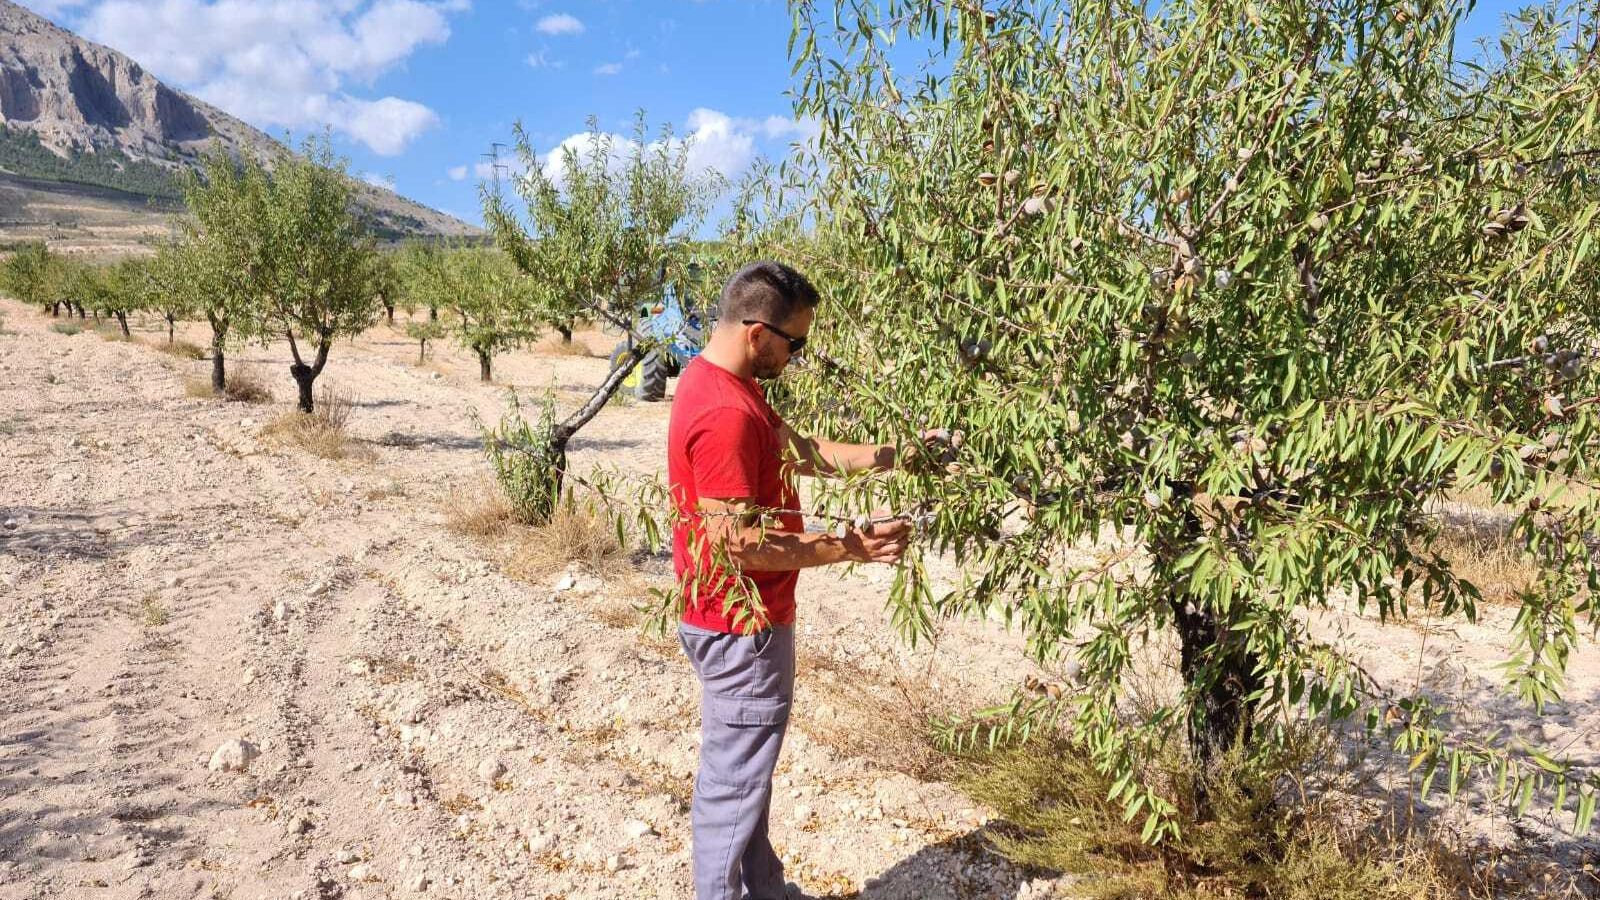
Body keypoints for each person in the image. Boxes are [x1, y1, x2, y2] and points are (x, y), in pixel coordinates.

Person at [668, 261, 921, 900]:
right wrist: (849, 546)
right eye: (795, 343)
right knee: (732, 789)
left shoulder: (721, 383)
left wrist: (897, 455)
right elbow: (738, 546)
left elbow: (799, 450)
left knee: (744, 776)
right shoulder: (726, 410)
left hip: (730, 620)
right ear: (758, 334)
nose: (799, 356)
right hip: (740, 627)